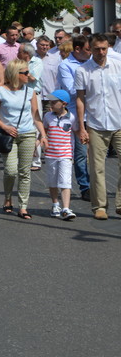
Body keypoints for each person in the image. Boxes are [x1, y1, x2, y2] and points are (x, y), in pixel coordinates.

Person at [0, 60, 46, 219]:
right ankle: (8, 198)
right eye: (26, 73)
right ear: (16, 74)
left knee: (25, 172)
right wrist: (5, 127)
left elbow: (36, 115)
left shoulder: (30, 92)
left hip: (28, 134)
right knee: (11, 170)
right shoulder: (0, 91)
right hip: (8, 136)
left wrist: (43, 134)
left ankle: (23, 207)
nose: (29, 75)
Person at [74, 33, 121, 220]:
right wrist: (81, 126)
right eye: (97, 49)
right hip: (96, 124)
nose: (101, 52)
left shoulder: (118, 66)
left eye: (104, 48)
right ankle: (99, 206)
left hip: (119, 122)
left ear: (108, 47)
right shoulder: (83, 70)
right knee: (97, 167)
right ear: (90, 49)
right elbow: (80, 99)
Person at [58, 34, 91, 202]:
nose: (91, 52)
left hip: (96, 114)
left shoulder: (92, 62)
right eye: (88, 49)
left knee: (97, 154)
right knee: (80, 153)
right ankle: (85, 187)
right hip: (76, 114)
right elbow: (72, 90)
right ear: (77, 49)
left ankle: (97, 186)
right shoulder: (66, 65)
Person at [43, 90, 76, 220]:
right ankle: (55, 204)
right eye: (50, 101)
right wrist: (40, 140)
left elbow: (76, 131)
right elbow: (44, 131)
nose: (51, 104)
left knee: (65, 181)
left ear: (63, 103)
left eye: (54, 102)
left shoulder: (72, 117)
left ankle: (66, 208)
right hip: (51, 154)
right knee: (52, 181)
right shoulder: (48, 116)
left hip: (66, 153)